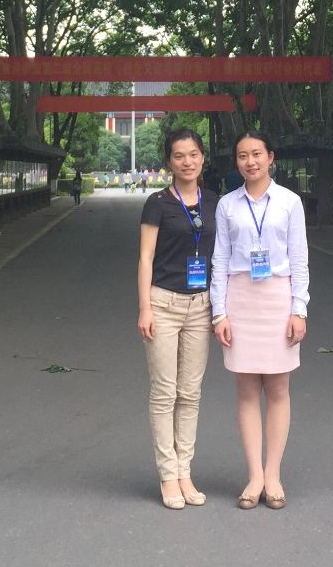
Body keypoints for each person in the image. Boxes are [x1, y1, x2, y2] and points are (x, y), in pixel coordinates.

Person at [210, 130, 309, 512]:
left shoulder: (289, 202)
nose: (249, 162)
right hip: (240, 298)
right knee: (247, 391)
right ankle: (254, 475)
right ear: (236, 162)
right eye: (242, 156)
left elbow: (299, 259)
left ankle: (273, 474)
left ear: (271, 157)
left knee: (279, 390)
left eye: (256, 154)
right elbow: (220, 258)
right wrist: (220, 312)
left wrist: (298, 309)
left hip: (277, 298)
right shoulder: (227, 205)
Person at [137, 129, 216, 510]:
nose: (188, 161)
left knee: (190, 393)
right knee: (164, 392)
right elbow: (145, 258)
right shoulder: (157, 203)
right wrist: (145, 308)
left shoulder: (215, 202)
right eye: (179, 155)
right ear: (169, 161)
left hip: (201, 306)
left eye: (194, 154)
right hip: (163, 303)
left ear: (203, 157)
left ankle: (185, 471)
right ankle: (168, 475)